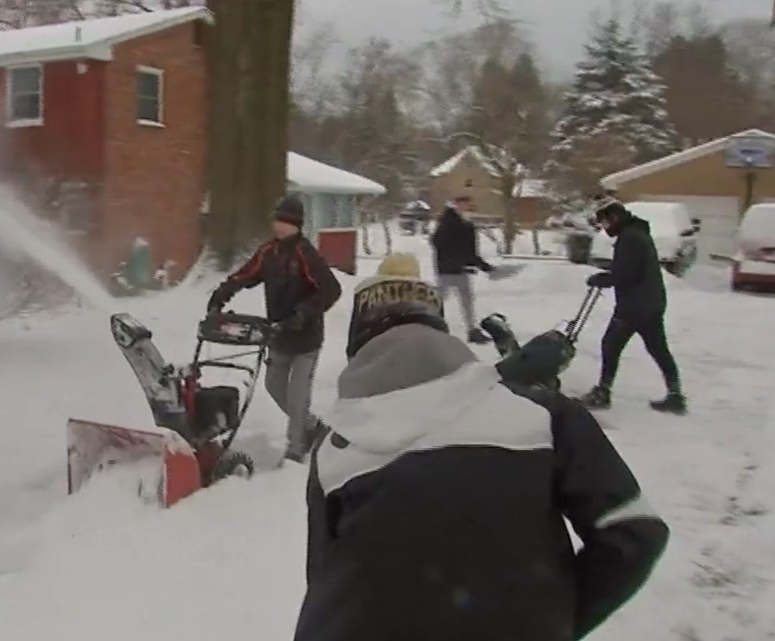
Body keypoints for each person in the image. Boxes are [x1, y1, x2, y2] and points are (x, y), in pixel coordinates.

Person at [292, 285, 669, 641]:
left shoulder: (333, 450)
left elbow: (323, 577)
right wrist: (553, 620)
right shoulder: (542, 415)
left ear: (357, 354)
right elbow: (634, 532)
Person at [207, 194, 342, 462]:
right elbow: (246, 275)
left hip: (306, 338)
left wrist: (303, 313)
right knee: (273, 386)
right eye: (278, 220)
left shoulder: (305, 253)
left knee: (297, 395)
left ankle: (295, 448)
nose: (280, 226)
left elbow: (331, 290)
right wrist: (222, 292)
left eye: (287, 222)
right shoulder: (269, 253)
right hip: (278, 334)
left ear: (298, 226)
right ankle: (312, 426)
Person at [579, 196, 686, 414]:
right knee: (658, 349)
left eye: (605, 222)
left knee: (610, 346)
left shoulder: (629, 238)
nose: (604, 227)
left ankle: (603, 392)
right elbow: (630, 268)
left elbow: (626, 274)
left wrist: (602, 279)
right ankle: (675, 395)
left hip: (634, 306)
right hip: (652, 302)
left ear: (615, 217)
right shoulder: (637, 233)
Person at [346, 251, 440, 358]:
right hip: (425, 352)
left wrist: (352, 356)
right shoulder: (432, 292)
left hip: (374, 351)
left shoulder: (365, 290)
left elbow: (356, 327)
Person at [430, 195, 494, 343]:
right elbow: (438, 243)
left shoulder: (466, 223)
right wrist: (456, 260)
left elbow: (469, 250)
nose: (467, 207)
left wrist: (479, 264)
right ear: (456, 205)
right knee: (438, 300)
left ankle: (472, 330)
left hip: (461, 269)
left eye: (469, 204)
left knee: (467, 300)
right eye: (464, 204)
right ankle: (432, 329)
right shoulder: (447, 222)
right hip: (447, 269)